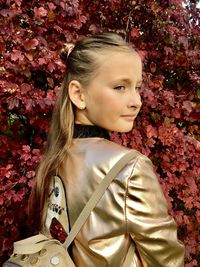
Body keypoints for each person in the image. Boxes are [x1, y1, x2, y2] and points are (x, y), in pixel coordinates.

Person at [29, 32, 185, 266]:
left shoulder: (54, 157)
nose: (137, 101)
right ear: (79, 94)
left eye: (137, 87)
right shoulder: (129, 168)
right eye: (120, 87)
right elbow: (167, 261)